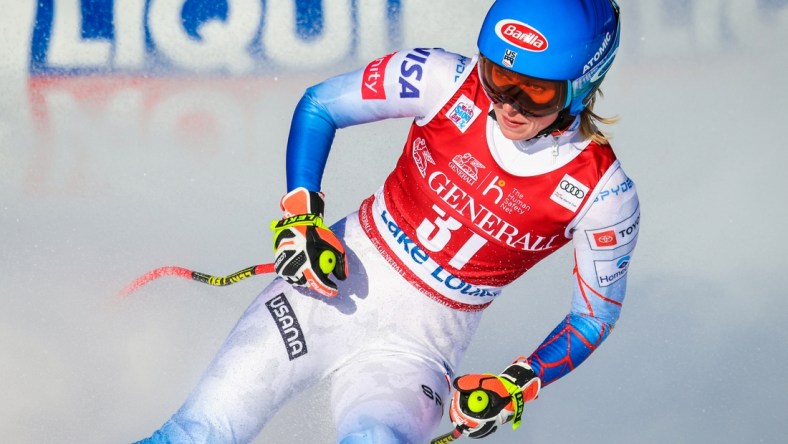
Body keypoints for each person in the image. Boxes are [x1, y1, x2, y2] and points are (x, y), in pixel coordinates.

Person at [137, 0, 639, 442]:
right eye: (499, 77)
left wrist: (520, 380)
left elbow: (593, 316)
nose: (508, 104)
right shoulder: (441, 79)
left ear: (583, 84)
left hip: (416, 353)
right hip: (326, 287)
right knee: (200, 432)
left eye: (534, 91)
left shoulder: (605, 195)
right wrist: (300, 216)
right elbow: (319, 107)